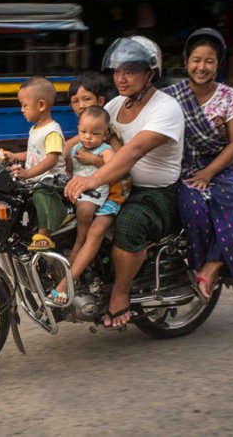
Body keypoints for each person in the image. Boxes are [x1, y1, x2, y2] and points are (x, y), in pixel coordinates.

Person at [65, 36, 185, 329]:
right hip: (116, 185)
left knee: (129, 225)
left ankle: (120, 293)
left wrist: (93, 179)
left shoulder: (166, 108)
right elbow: (85, 137)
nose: (120, 77)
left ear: (150, 73)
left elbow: (133, 151)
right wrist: (44, 155)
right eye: (118, 70)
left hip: (154, 194)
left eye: (130, 70)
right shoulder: (117, 105)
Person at [161, 28, 233, 300]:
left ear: (218, 64)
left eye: (209, 61)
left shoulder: (230, 97)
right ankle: (192, 267)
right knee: (193, 210)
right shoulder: (169, 97)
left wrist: (209, 171)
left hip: (219, 167)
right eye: (196, 59)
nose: (201, 67)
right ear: (186, 62)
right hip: (181, 169)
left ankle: (211, 266)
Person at [48, 73, 130, 304]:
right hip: (88, 191)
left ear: (101, 100)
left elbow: (116, 164)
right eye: (75, 101)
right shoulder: (83, 135)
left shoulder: (106, 133)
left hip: (111, 194)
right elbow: (61, 154)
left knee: (91, 233)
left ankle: (66, 285)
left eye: (86, 99)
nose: (81, 105)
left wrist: (92, 160)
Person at [1, 76, 67, 251]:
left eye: (25, 105)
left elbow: (51, 158)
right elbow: (33, 154)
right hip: (38, 180)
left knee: (41, 194)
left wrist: (28, 174)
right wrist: (15, 156)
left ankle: (45, 235)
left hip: (51, 182)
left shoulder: (52, 131)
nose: (22, 110)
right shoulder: (36, 128)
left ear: (41, 105)